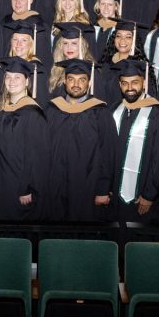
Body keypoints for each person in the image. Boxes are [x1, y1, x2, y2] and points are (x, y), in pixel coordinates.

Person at [109, 58, 159, 224]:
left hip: (142, 196)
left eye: (135, 82)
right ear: (119, 85)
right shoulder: (114, 109)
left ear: (144, 82)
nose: (130, 88)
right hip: (114, 194)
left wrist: (149, 194)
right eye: (124, 83)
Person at [46, 58, 116, 221]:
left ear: (89, 83)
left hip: (88, 185)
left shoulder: (101, 112)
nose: (76, 84)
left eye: (82, 80)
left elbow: (108, 153)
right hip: (55, 184)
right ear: (64, 81)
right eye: (71, 79)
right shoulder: (52, 109)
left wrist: (103, 190)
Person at [0, 57, 52, 220]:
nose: (11, 81)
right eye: (8, 77)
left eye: (17, 77)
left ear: (27, 81)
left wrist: (26, 187)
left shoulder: (33, 114)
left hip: (17, 184)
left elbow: (37, 156)